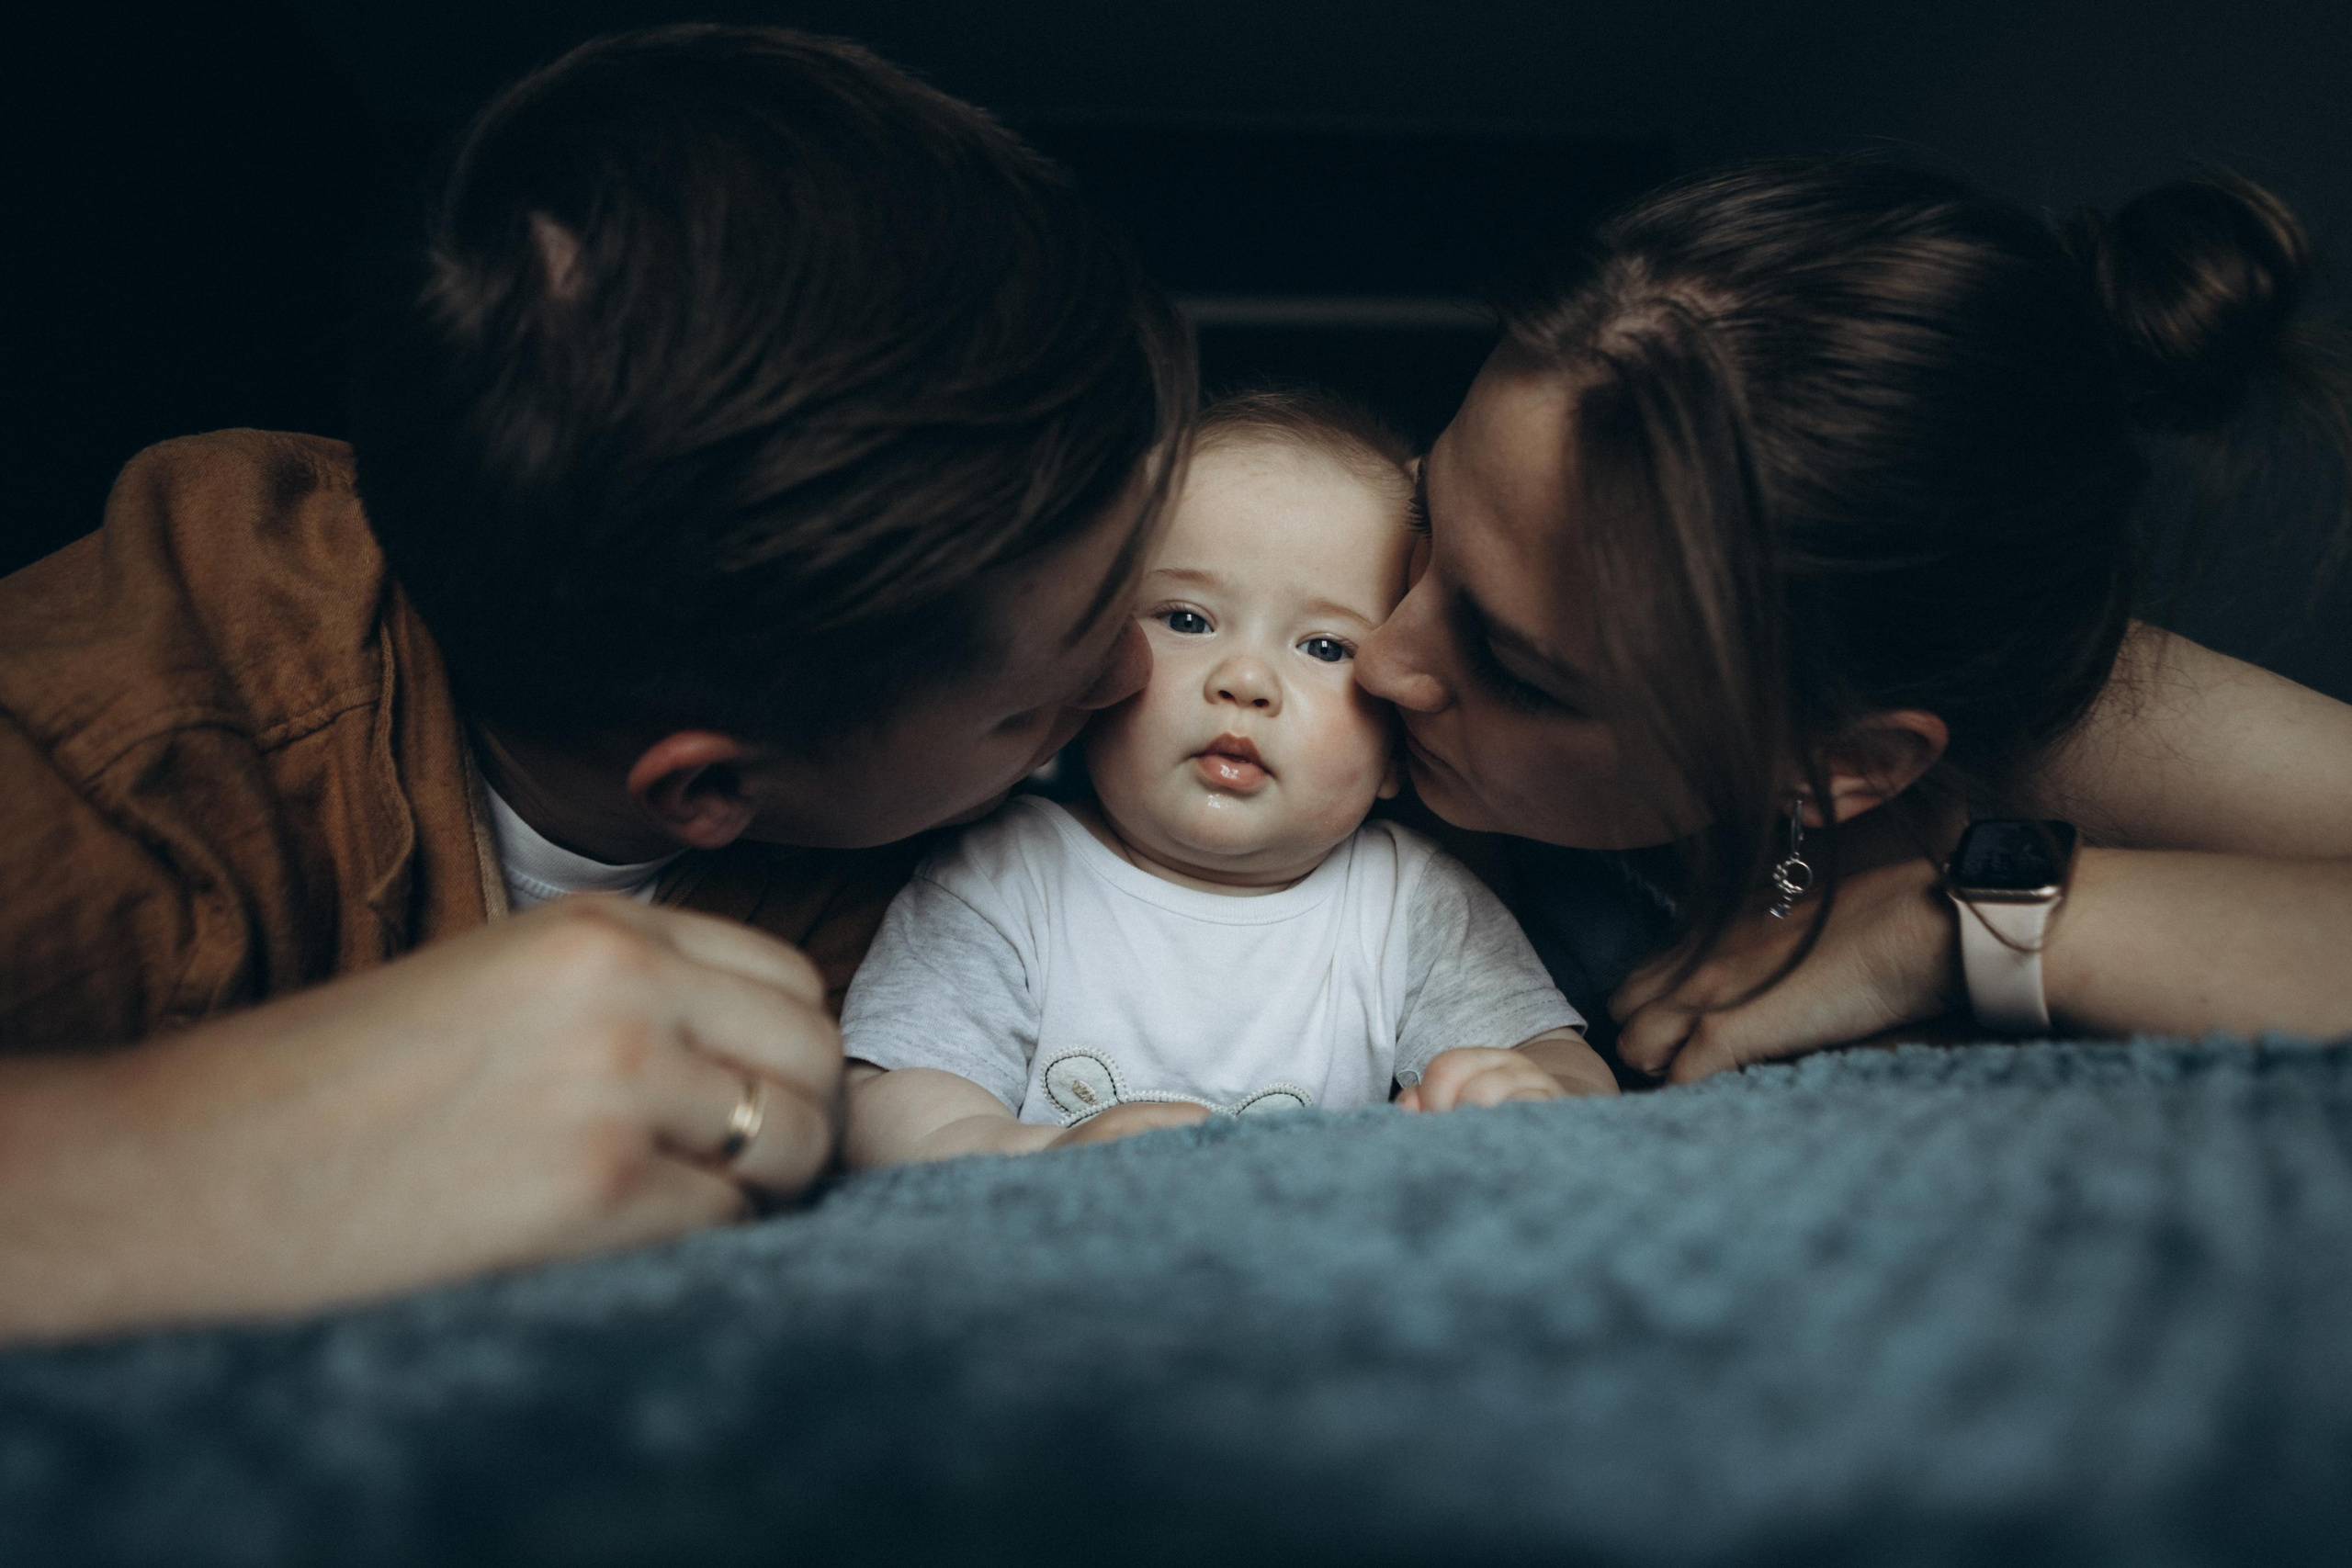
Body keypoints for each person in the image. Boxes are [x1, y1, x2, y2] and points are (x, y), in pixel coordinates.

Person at [0, 26, 1192, 1341]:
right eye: (1037, 699)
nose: (1140, 672)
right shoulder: (108, 766)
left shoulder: (927, 830)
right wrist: (190, 1151)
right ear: (710, 787)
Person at [1353, 158, 2352, 1081]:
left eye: (1518, 671)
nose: (1380, 659)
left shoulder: (2085, 714)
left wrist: (1962, 923)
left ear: (1841, 764)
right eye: (1422, 512)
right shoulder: (1364, 595)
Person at [842, 391, 1612, 1168]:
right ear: (1093, 669)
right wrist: (1043, 1154)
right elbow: (894, 1094)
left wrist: (1523, 1095)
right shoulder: (1005, 875)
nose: (1246, 679)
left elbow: (1564, 1066)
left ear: (1395, 744)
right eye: (1186, 620)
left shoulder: (1409, 907)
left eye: (1324, 647)